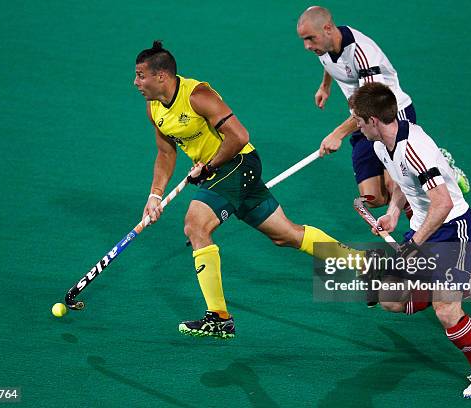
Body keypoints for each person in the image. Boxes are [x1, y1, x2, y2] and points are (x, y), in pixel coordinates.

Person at [134, 41, 369, 339]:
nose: (136, 82)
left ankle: (218, 317)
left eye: (141, 75)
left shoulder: (198, 96)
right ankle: (364, 265)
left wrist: (208, 166)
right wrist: (155, 195)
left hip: (238, 162)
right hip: (217, 172)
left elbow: (239, 135)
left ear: (161, 76)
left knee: (196, 225)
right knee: (286, 235)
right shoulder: (154, 108)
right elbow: (166, 154)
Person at [348, 82, 471, 399]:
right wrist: (392, 212)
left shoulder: (414, 147)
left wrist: (415, 243)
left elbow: (443, 203)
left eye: (359, 121)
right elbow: (404, 182)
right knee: (390, 299)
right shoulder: (381, 145)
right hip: (423, 225)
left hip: (451, 227)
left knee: (446, 309)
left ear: (374, 120)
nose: (358, 127)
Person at [296, 6, 470, 215]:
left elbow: (371, 106)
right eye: (304, 40)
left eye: (310, 39)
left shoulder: (361, 53)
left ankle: (439, 173)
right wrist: (325, 86)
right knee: (374, 198)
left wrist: (337, 134)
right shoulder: (324, 45)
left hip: (390, 115)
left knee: (398, 186)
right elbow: (330, 61)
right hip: (362, 121)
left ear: (327, 28)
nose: (307, 46)